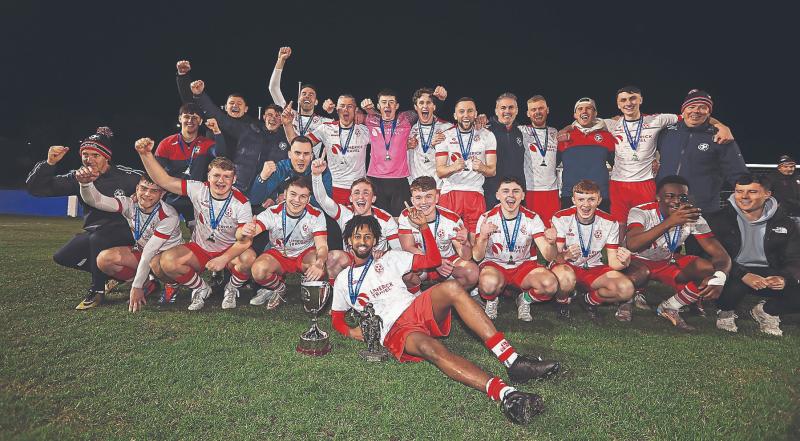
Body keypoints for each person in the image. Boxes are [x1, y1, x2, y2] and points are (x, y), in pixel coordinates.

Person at [330, 214, 560, 425]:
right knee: (431, 349)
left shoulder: (390, 258)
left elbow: (432, 260)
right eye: (357, 236)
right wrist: (352, 332)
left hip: (415, 306)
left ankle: (513, 361)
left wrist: (422, 227)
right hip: (394, 330)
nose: (362, 241)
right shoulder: (342, 280)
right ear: (349, 241)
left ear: (375, 241)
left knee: (451, 287)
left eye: (368, 236)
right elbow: (337, 319)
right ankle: (506, 394)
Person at [25, 126, 141, 310]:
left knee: (98, 237)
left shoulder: (126, 177)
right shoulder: (77, 177)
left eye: (95, 155)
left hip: (124, 232)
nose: (89, 159)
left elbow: (154, 183)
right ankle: (117, 276)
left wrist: (140, 195)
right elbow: (36, 188)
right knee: (63, 256)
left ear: (106, 157)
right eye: (85, 154)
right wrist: (49, 163)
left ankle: (97, 290)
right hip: (95, 232)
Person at [135, 138, 254, 311]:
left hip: (228, 248)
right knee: (167, 262)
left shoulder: (242, 203)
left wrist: (224, 259)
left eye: (227, 177)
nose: (221, 181)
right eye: (216, 175)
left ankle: (232, 287)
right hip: (200, 248)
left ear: (234, 179)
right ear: (208, 176)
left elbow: (245, 241)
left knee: (249, 258)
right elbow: (165, 181)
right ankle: (201, 287)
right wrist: (145, 155)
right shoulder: (198, 189)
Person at [604, 86, 734, 223]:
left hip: (646, 183)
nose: (628, 103)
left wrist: (722, 126)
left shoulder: (658, 120)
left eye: (632, 98)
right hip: (618, 183)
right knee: (619, 224)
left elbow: (692, 116)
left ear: (640, 100)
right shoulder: (610, 124)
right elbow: (583, 124)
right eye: (623, 100)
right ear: (618, 104)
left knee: (647, 223)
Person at [623, 175, 732, 329]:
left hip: (666, 261)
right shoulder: (641, 211)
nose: (676, 201)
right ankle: (627, 298)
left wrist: (720, 278)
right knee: (641, 272)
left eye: (682, 197)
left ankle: (671, 306)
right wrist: (670, 222)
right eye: (670, 196)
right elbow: (633, 245)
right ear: (658, 197)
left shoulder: (692, 217)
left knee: (707, 269)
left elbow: (721, 255)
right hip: (636, 260)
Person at [707, 175, 800, 336]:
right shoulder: (719, 219)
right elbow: (709, 255)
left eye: (752, 191)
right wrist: (742, 274)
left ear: (767, 194)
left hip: (770, 273)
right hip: (733, 271)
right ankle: (725, 311)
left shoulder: (785, 223)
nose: (744, 196)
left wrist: (784, 278)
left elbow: (794, 258)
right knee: (725, 281)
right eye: (739, 191)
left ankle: (767, 311)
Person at [77, 171, 183, 312]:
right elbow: (96, 201)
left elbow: (149, 252)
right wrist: (85, 184)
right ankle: (148, 283)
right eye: (143, 188)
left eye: (154, 191)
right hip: (146, 254)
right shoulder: (129, 204)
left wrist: (136, 287)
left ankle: (172, 285)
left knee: (157, 261)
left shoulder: (168, 215)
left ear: (162, 194)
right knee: (104, 259)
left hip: (169, 259)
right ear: (137, 188)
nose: (146, 194)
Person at [472, 177, 562, 321]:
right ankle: (492, 300)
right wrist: (482, 237)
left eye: (516, 191)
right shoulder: (486, 218)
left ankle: (524, 299)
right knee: (488, 285)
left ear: (523, 195)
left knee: (550, 285)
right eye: (505, 191)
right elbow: (476, 256)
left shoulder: (532, 218)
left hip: (523, 266)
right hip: (495, 265)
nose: (511, 195)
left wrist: (551, 243)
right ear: (497, 195)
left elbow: (549, 256)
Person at [239, 176, 329, 310]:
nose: (297, 200)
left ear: (308, 199)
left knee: (319, 270)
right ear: (285, 194)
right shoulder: (272, 212)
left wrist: (319, 263)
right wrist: (247, 230)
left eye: (303, 196)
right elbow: (253, 231)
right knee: (258, 271)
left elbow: (322, 246)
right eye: (293, 194)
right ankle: (280, 289)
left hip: (303, 255)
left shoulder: (316, 214)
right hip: (279, 254)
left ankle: (312, 292)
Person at [551, 180, 633, 322]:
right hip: (567, 266)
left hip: (594, 268)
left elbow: (613, 262)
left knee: (626, 289)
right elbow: (554, 257)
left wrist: (625, 262)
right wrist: (566, 254)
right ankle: (562, 302)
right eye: (581, 199)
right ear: (573, 200)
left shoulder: (610, 222)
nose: (586, 205)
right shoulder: (561, 218)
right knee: (565, 278)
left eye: (591, 199)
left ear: (599, 200)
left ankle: (588, 301)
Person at [655, 89, 747, 215]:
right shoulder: (666, 131)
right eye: (691, 106)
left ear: (709, 112)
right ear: (683, 110)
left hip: (702, 208)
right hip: (666, 205)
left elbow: (738, 173)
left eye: (703, 107)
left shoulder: (720, 136)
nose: (696, 111)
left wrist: (748, 198)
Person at [310, 158, 399, 283]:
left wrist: (385, 254)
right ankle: (339, 293)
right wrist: (316, 175)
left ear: (373, 198)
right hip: (352, 263)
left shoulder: (386, 219)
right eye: (356, 193)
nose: (361, 197)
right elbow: (322, 200)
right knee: (332, 257)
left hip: (377, 265)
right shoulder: (345, 213)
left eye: (366, 193)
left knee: (404, 271)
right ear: (351, 198)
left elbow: (399, 250)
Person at [361, 87, 446, 216]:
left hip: (400, 181)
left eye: (391, 102)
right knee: (377, 220)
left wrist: (440, 100)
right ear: (378, 105)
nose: (387, 105)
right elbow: (348, 118)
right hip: (375, 179)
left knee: (399, 220)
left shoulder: (406, 119)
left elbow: (426, 112)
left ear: (397, 105)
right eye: (384, 102)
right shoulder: (369, 119)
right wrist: (368, 109)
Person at [187, 75, 275, 195]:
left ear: (246, 109)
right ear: (225, 107)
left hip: (246, 185)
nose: (235, 105)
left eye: (239, 103)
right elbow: (191, 107)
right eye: (232, 103)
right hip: (217, 181)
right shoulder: (215, 123)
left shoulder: (254, 128)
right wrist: (198, 94)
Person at [283, 94, 369, 205]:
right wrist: (287, 124)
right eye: (342, 106)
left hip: (358, 190)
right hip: (332, 188)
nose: (345, 109)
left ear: (355, 109)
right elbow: (298, 144)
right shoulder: (326, 128)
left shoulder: (364, 130)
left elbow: (386, 126)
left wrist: (367, 115)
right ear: (336, 109)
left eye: (350, 106)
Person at [398, 176, 478, 291]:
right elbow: (408, 247)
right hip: (422, 262)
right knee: (405, 272)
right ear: (412, 200)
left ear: (436, 198)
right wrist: (436, 263)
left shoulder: (452, 219)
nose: (424, 202)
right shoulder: (406, 216)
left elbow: (466, 256)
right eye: (419, 198)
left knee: (472, 272)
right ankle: (418, 298)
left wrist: (466, 243)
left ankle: (448, 297)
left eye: (428, 196)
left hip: (447, 262)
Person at [436, 97, 497, 240]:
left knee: (475, 238)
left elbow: (492, 171)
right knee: (448, 237)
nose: (466, 115)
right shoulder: (445, 136)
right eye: (461, 111)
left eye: (470, 111)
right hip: (451, 191)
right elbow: (440, 172)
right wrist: (453, 167)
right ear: (455, 115)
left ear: (476, 114)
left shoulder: (487, 135)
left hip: (475, 192)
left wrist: (482, 167)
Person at [154, 103, 217, 223]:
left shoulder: (207, 143)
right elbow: (155, 173)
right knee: (168, 237)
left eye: (195, 118)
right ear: (180, 118)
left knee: (198, 239)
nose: (190, 120)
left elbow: (221, 154)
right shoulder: (166, 143)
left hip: (198, 201)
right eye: (187, 116)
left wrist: (216, 131)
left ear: (200, 121)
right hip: (172, 200)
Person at [267, 46, 334, 157]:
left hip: (311, 167)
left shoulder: (323, 122)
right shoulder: (289, 114)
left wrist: (332, 112)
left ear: (316, 101)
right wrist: (281, 60)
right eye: (303, 94)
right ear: (298, 99)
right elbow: (273, 88)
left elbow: (344, 123)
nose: (307, 96)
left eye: (311, 95)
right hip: (289, 164)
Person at [557, 98, 614, 212]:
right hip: (570, 197)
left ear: (595, 113)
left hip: (600, 196)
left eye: (588, 108)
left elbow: (619, 164)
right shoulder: (563, 137)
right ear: (575, 114)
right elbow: (550, 165)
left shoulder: (607, 136)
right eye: (580, 109)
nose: (584, 111)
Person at [248, 136, 333, 209]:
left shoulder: (321, 170)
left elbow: (327, 205)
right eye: (297, 153)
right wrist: (262, 177)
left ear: (311, 156)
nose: (301, 158)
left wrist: (291, 197)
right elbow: (255, 200)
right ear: (289, 154)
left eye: (306, 154)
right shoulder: (281, 168)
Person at [520, 95, 559, 226]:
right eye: (533, 109)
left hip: (552, 191)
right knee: (530, 233)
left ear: (547, 110)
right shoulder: (521, 131)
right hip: (531, 190)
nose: (537, 112)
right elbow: (500, 126)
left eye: (541, 108)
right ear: (528, 113)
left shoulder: (555, 132)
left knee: (551, 231)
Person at [484, 93, 526, 208]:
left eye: (511, 107)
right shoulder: (485, 131)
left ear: (517, 110)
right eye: (503, 108)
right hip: (492, 194)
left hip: (516, 195)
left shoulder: (521, 132)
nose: (507, 111)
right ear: (496, 110)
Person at [406, 88, 454, 189]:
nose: (425, 106)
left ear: (434, 106)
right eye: (421, 103)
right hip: (416, 187)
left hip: (440, 186)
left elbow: (466, 134)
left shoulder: (447, 127)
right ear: (416, 107)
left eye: (428, 102)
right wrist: (405, 146)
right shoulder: (409, 129)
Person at [770, 154, 800, 226]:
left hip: (798, 215)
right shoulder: (772, 179)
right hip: (781, 215)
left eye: (792, 166)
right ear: (779, 168)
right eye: (785, 166)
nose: (789, 169)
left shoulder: (797, 178)